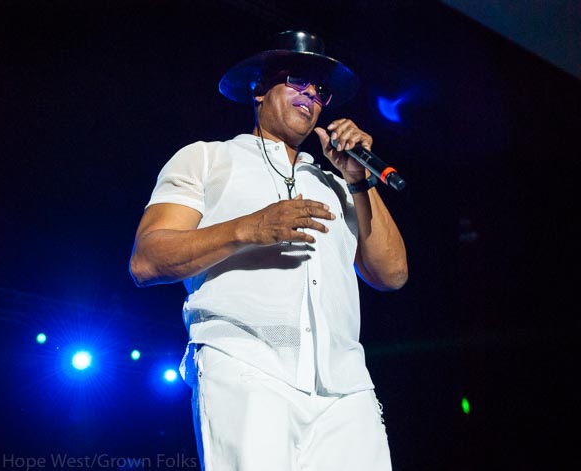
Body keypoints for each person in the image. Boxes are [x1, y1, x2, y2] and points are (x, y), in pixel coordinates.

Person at [129, 29, 408, 471]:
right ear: (259, 89)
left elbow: (392, 274)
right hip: (245, 363)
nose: (311, 95)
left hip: (344, 387)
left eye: (321, 90)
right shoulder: (206, 158)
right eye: (298, 80)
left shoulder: (338, 183)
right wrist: (250, 228)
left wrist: (358, 182)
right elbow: (147, 260)